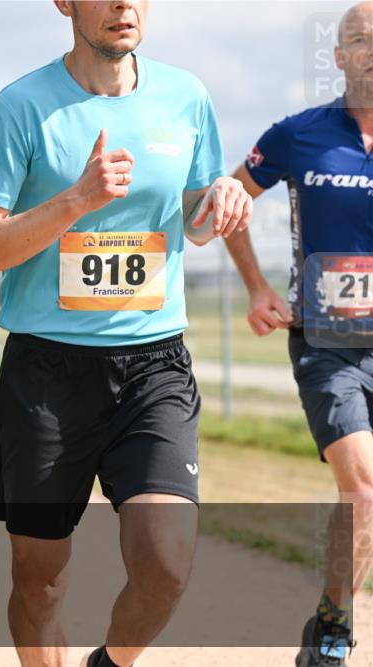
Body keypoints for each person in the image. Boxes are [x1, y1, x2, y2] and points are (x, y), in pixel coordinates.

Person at [0, 2, 253, 665]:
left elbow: (196, 221)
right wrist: (75, 201)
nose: (123, 4)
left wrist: (222, 203)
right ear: (64, 2)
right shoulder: (21, 106)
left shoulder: (187, 96)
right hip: (46, 374)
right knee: (40, 579)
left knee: (166, 562)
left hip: (153, 367)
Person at [223, 4, 373, 665]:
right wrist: (257, 287)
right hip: (327, 343)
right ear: (338, 56)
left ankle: (329, 610)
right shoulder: (298, 134)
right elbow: (228, 203)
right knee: (363, 489)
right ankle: (336, 631)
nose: (372, 49)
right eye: (360, 39)